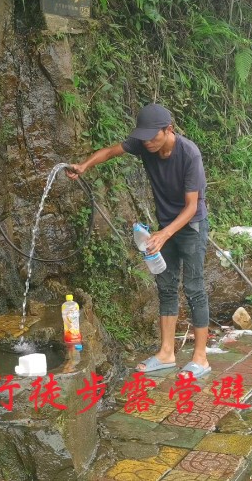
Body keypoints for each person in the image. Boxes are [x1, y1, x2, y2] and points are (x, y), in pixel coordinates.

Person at [66, 103, 211, 378]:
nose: (147, 143)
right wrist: (84, 165)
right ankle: (167, 353)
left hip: (191, 226)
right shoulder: (144, 143)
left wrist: (164, 233)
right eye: (143, 138)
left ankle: (201, 358)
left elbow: (192, 206)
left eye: (152, 137)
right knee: (166, 287)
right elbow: (111, 151)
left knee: (194, 288)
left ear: (169, 130)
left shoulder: (189, 153)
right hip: (164, 228)